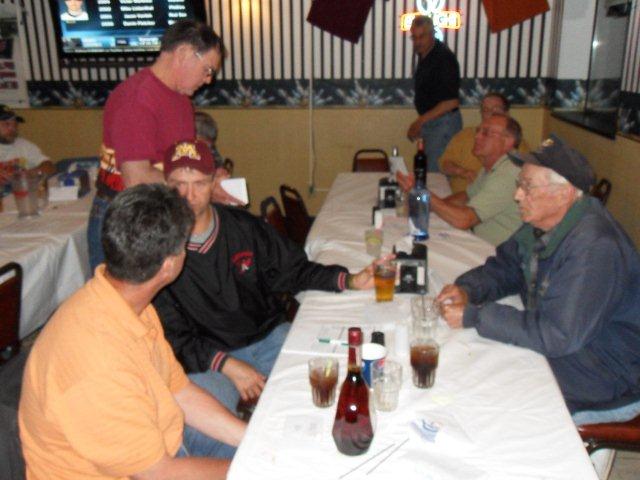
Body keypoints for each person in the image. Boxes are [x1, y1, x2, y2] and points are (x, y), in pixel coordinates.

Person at [19, 183, 247, 479]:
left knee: (228, 405)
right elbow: (159, 473)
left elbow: (178, 390)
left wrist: (255, 440)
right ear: (168, 266)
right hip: (140, 471)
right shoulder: (96, 365)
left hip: (158, 441)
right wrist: (262, 468)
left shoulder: (127, 300)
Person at [154, 140, 378, 413]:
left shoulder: (244, 227)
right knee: (202, 418)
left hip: (267, 337)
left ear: (214, 182)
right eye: (178, 184)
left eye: (199, 183)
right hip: (207, 358)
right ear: (165, 185)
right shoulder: (158, 250)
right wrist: (226, 364)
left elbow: (293, 271)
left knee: (324, 387)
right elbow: (171, 336)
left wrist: (350, 280)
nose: (188, 195)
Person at [437, 134, 640, 425]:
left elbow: (557, 334)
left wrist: (475, 316)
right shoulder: (545, 222)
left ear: (564, 193)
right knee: (470, 360)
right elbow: (506, 267)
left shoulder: (595, 247)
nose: (517, 195)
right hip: (573, 348)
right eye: (519, 184)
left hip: (606, 373)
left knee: (487, 388)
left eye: (527, 186)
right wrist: (467, 290)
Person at [87, 20, 239, 272]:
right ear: (183, 53)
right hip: (125, 222)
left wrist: (211, 174)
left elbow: (184, 160)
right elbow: (137, 178)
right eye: (207, 70)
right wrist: (203, 187)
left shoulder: (181, 100)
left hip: (159, 214)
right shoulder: (136, 99)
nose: (208, 80)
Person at [422, 114, 523, 246]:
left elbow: (464, 221)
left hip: (500, 252)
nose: (477, 136)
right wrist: (427, 206)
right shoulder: (491, 166)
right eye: (478, 131)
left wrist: (423, 195)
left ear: (508, 141)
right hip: (481, 243)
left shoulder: (508, 173)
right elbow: (467, 196)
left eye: (486, 133)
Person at [439, 92, 530, 194]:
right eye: (486, 110)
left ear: (506, 113)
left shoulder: (516, 143)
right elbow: (444, 164)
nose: (491, 113)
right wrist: (462, 172)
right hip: (459, 195)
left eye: (496, 109)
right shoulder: (465, 135)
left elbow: (525, 175)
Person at [407, 15, 462, 172]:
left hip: (443, 124)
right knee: (428, 171)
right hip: (434, 122)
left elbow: (451, 102)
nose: (418, 42)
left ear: (432, 34)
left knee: (434, 175)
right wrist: (423, 122)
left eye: (422, 37)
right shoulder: (426, 54)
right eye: (414, 37)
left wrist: (419, 122)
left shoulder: (443, 58)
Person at [0, 105, 54, 189]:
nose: (13, 129)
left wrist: (28, 174)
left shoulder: (24, 145)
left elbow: (49, 166)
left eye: (15, 124)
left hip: (19, 192)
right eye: (6, 124)